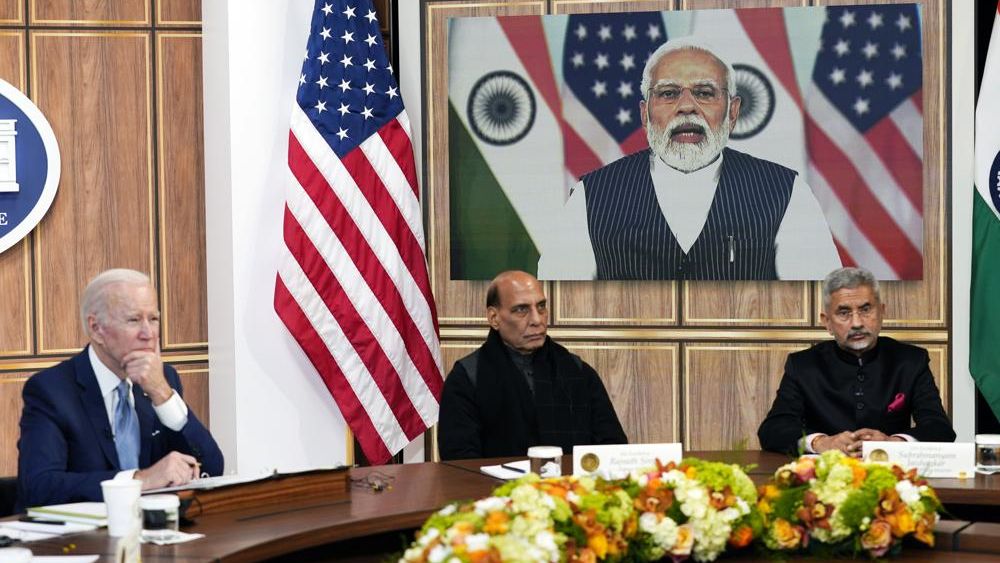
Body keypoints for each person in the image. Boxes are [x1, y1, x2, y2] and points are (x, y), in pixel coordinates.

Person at [537, 37, 841, 280]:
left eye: (705, 93)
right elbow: (561, 313)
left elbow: (815, 311)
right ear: (645, 114)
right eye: (669, 93)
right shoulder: (592, 195)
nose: (686, 107)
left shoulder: (785, 191)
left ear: (732, 112)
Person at [17, 269, 223, 510]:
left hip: (152, 535)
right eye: (134, 320)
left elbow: (211, 468)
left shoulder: (164, 379)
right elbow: (39, 487)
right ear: (96, 328)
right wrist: (139, 480)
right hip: (77, 541)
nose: (149, 334)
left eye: (153, 319)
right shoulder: (51, 390)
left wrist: (162, 395)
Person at [757, 267, 955, 455]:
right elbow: (773, 429)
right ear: (827, 322)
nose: (857, 323)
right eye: (844, 313)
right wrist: (821, 442)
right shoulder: (803, 365)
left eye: (866, 309)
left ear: (882, 312)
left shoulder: (911, 361)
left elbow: (939, 428)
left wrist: (893, 443)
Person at [437, 270, 627, 460]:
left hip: (573, 487)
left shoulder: (578, 372)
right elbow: (459, 463)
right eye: (521, 309)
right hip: (495, 489)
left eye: (541, 306)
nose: (537, 320)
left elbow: (613, 448)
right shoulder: (467, 378)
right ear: (494, 318)